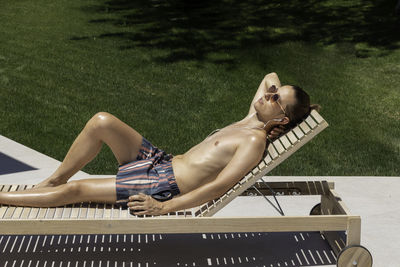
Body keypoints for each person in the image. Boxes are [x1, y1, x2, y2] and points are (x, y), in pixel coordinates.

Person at [0, 73, 319, 215]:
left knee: (77, 192)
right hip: (160, 161)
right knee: (102, 122)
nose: (268, 93)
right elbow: (269, 74)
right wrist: (281, 93)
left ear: (281, 120)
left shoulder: (254, 139)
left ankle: (3, 199)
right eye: (273, 91)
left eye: (276, 98)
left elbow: (220, 186)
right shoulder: (252, 117)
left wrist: (162, 207)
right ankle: (54, 179)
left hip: (162, 185)